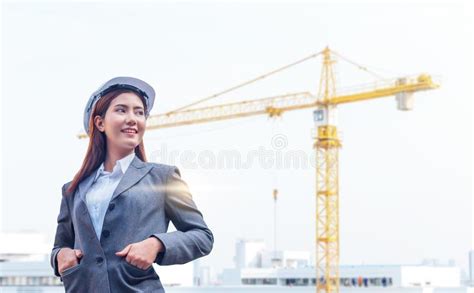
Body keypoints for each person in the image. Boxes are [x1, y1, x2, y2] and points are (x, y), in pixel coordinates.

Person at [50, 77, 214, 292]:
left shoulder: (163, 177)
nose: (132, 119)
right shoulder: (73, 188)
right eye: (121, 110)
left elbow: (202, 236)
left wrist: (156, 244)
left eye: (139, 112)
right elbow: (60, 246)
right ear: (100, 123)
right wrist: (60, 256)